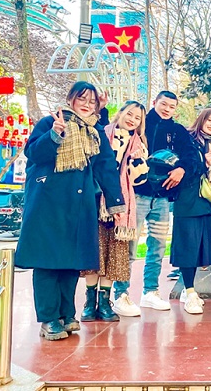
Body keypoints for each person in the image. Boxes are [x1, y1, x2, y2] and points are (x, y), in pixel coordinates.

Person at [15, 81, 125, 340]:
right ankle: (48, 319)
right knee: (47, 262)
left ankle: (66, 314)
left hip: (78, 205)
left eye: (92, 101)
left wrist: (115, 203)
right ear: (70, 99)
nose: (87, 104)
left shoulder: (94, 131)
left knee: (71, 262)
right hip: (48, 204)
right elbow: (33, 153)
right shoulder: (51, 121)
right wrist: (54, 134)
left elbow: (106, 166)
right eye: (82, 99)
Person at [113, 91, 195, 311]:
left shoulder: (178, 131)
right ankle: (120, 294)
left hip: (162, 198)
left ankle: (150, 292)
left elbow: (190, 155)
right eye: (163, 104)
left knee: (157, 247)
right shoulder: (140, 124)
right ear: (154, 102)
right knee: (129, 246)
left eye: (172, 106)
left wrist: (181, 169)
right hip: (137, 195)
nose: (167, 109)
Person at [81, 101, 149, 321]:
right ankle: (89, 303)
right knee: (95, 251)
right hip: (96, 200)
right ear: (120, 113)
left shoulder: (138, 145)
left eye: (137, 118)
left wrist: (137, 161)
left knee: (115, 254)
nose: (132, 120)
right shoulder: (102, 134)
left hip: (120, 206)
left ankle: (105, 302)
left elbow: (140, 179)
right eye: (129, 114)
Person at [171, 108, 211, 315]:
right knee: (187, 247)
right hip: (187, 199)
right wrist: (203, 162)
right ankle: (190, 292)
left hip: (205, 201)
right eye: (209, 120)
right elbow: (184, 164)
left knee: (199, 248)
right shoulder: (188, 138)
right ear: (201, 119)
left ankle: (188, 289)